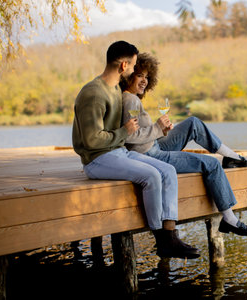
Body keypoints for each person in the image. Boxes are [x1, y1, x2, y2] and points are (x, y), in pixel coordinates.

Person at [72, 41, 199, 259]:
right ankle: (160, 238)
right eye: (133, 66)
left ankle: (170, 235)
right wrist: (124, 132)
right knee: (151, 176)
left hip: (117, 152)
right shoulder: (93, 94)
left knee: (167, 170)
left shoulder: (113, 89)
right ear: (123, 65)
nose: (134, 70)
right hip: (97, 159)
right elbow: (91, 140)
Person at [120, 52, 247, 236]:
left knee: (193, 123)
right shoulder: (129, 99)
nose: (144, 80)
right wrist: (158, 128)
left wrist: (162, 131)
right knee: (212, 164)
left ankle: (230, 156)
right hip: (151, 155)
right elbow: (130, 136)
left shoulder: (132, 98)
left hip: (154, 146)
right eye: (139, 75)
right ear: (129, 75)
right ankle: (229, 220)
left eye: (147, 77)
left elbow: (138, 133)